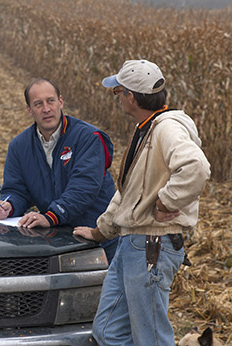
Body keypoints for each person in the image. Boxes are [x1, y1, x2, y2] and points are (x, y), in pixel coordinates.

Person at [74, 59, 211, 346]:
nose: (119, 98)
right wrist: (102, 231)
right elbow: (128, 192)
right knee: (107, 331)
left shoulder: (166, 129)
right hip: (133, 243)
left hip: (152, 246)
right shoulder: (146, 129)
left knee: (150, 338)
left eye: (119, 92)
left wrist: (164, 202)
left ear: (131, 97)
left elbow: (196, 167)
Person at [0, 77, 118, 263]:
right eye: (38, 104)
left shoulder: (88, 138)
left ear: (60, 101)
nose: (46, 109)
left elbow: (84, 188)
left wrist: (50, 216)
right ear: (29, 110)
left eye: (50, 101)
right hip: (58, 241)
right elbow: (16, 190)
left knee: (107, 291)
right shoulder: (19, 146)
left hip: (98, 238)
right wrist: (8, 206)